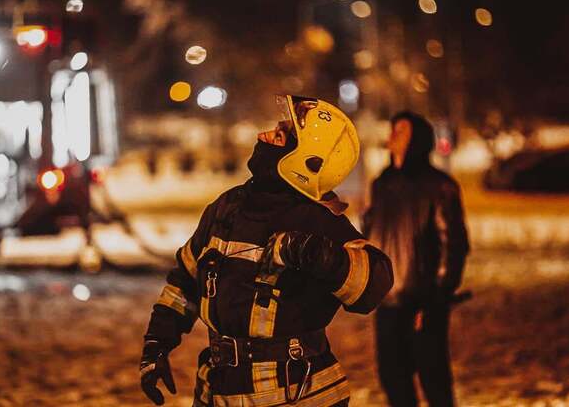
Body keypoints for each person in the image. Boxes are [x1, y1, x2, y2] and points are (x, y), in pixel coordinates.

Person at [140, 95, 393, 406]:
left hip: (296, 393)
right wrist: (157, 343)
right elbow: (184, 283)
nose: (263, 136)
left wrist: (319, 255)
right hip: (219, 390)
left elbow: (374, 284)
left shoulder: (316, 219)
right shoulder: (227, 208)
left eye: (279, 135)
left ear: (304, 159)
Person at [363, 111, 469, 407]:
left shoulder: (439, 186)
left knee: (433, 380)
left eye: (402, 130)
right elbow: (372, 234)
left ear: (419, 139)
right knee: (392, 378)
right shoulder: (381, 185)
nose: (394, 135)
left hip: (423, 302)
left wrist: (438, 296)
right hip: (387, 299)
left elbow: (454, 245)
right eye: (393, 128)